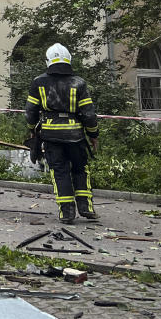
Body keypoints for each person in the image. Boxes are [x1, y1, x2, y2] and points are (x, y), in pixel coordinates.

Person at [25, 42, 100, 223]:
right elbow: (88, 114)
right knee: (80, 169)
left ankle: (67, 213)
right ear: (69, 60)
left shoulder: (39, 82)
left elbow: (30, 111)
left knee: (60, 171)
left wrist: (32, 131)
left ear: (48, 61)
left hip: (51, 135)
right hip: (76, 136)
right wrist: (93, 135)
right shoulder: (79, 83)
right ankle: (86, 207)